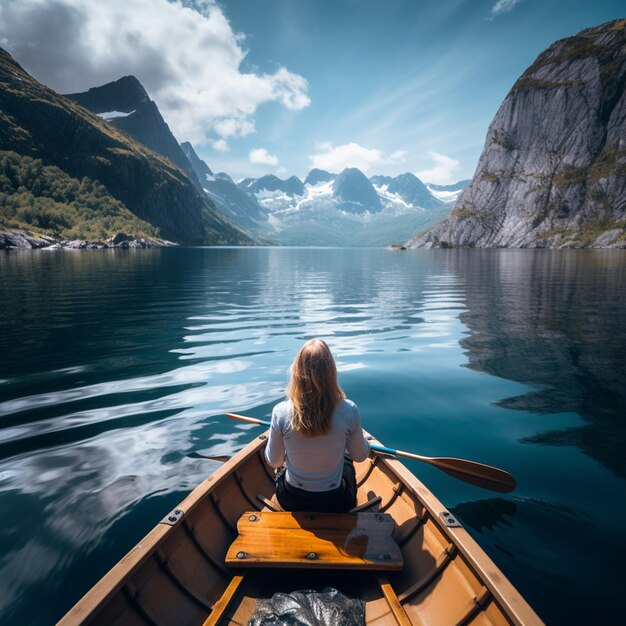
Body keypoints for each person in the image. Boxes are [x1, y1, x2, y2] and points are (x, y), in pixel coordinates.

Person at [265, 338, 370, 512]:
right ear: (331, 372)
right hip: (336, 502)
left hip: (292, 500)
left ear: (297, 372)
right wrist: (364, 443)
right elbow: (360, 456)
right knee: (347, 461)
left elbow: (274, 461)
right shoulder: (349, 410)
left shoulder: (281, 412)